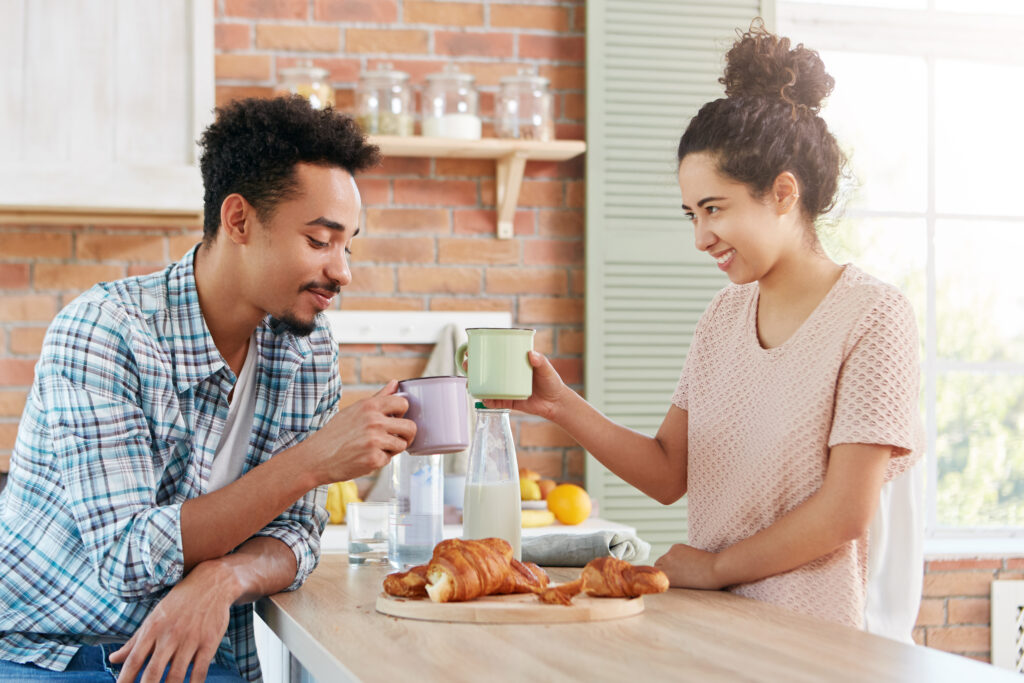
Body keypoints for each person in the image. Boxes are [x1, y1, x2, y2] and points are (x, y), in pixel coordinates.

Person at [488, 23, 924, 640]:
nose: (700, 237)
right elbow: (670, 473)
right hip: (712, 628)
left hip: (810, 643)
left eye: (715, 209)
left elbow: (844, 513)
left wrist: (716, 567)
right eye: (692, 214)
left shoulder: (874, 316)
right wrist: (560, 406)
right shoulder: (722, 318)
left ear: (782, 194)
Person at [0, 96, 416, 681]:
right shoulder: (104, 331)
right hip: (55, 654)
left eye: (348, 245)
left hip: (203, 653)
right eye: (320, 241)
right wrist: (314, 461)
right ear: (239, 220)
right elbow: (129, 557)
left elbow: (296, 535)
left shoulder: (307, 347)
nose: (342, 270)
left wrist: (226, 577)